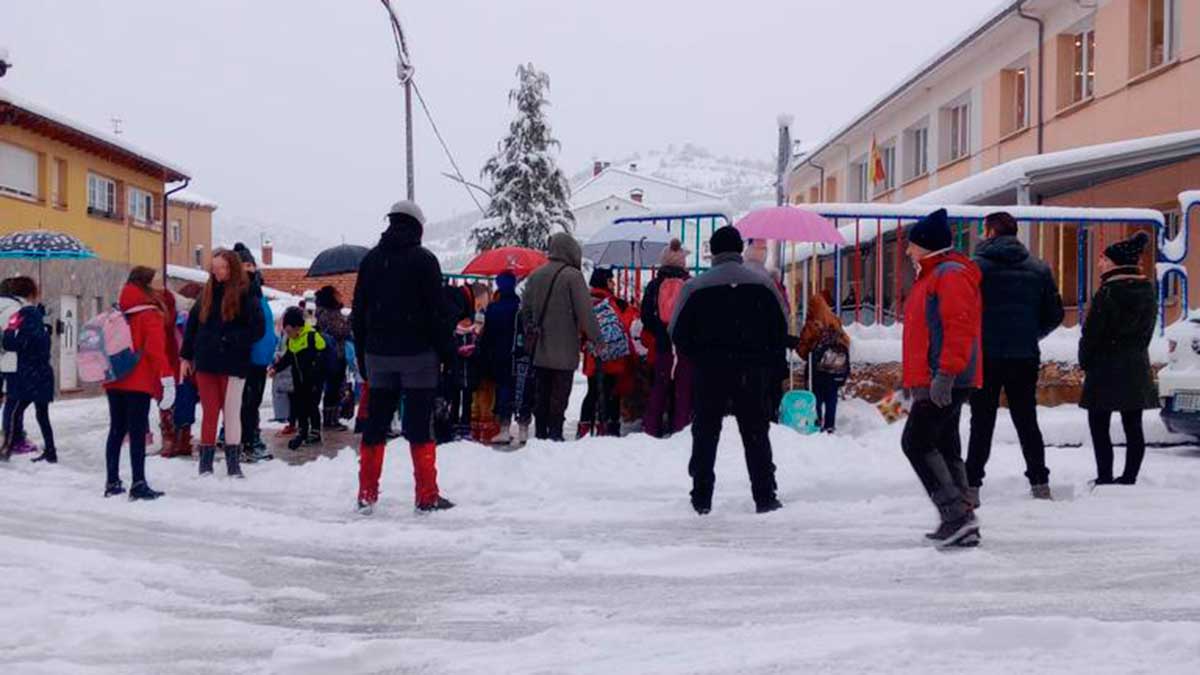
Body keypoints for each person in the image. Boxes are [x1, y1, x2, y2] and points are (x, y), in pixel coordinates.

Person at [670, 226, 789, 515]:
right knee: (755, 432)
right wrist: (765, 359)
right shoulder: (763, 285)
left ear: (713, 252)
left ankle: (701, 497)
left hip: (710, 371)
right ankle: (765, 495)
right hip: (752, 371)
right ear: (739, 250)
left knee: (706, 432)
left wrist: (699, 355)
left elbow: (677, 331)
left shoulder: (695, 287)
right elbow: (781, 326)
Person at [352, 200, 455, 514]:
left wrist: (362, 357)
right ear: (418, 227)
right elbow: (437, 315)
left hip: (378, 357)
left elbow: (358, 314)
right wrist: (447, 354)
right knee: (419, 426)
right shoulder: (425, 261)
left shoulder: (371, 260)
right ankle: (427, 495)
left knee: (375, 425)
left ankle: (367, 493)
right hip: (419, 357)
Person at [966, 212, 1064, 506]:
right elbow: (1055, 314)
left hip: (985, 356)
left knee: (981, 421)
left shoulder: (975, 268)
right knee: (1026, 419)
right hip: (1023, 356)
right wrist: (1030, 334)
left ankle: (972, 486)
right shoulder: (1039, 268)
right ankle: (1040, 482)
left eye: (984, 230)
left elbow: (963, 311)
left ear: (992, 231)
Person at [898, 208, 983, 548]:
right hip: (936, 376)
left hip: (946, 377)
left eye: (912, 245)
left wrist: (945, 375)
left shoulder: (948, 275)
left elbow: (958, 328)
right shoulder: (932, 275)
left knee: (915, 443)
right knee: (946, 446)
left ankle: (957, 516)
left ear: (927, 246)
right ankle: (964, 518)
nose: (907, 251)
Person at [1080, 231, 1158, 486]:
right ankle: (1129, 478)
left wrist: (1086, 359)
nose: (1100, 263)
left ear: (1115, 263)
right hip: (1135, 364)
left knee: (1098, 421)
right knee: (1133, 424)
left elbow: (1092, 333)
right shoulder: (1148, 291)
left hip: (1105, 366)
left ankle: (1104, 476)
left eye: (1104, 259)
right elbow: (1148, 330)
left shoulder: (1108, 292)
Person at [180, 249, 264, 478]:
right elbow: (193, 326)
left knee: (231, 412)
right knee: (209, 412)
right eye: (214, 268)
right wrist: (186, 356)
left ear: (232, 268)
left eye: (222, 268)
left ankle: (233, 464)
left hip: (233, 363)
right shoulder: (206, 293)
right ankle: (205, 464)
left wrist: (231, 339)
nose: (217, 273)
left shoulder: (246, 293)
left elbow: (257, 329)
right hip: (207, 361)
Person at [520, 233, 601, 441]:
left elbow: (525, 310)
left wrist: (532, 327)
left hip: (540, 349)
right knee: (559, 397)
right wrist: (597, 339)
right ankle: (555, 435)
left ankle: (539, 435)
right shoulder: (573, 277)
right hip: (564, 350)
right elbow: (585, 312)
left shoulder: (535, 275)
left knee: (542, 394)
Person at [102, 267, 174, 499]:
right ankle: (138, 483)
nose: (162, 285)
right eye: (158, 281)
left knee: (116, 430)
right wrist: (167, 378)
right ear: (147, 285)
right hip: (138, 380)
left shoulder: (119, 308)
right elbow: (155, 350)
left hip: (115, 378)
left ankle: (112, 481)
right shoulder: (149, 312)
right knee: (136, 431)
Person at [641, 240, 693, 438]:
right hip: (684, 347)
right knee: (683, 391)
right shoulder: (690, 284)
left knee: (659, 389)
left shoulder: (655, 285)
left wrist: (660, 331)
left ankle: (650, 429)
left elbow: (646, 315)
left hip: (662, 345)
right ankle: (680, 430)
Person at [1, 280, 56, 463]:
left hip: (28, 374)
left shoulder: (25, 314)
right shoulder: (36, 314)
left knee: (15, 409)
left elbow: (14, 345)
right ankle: (50, 451)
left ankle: (6, 448)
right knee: (41, 414)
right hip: (41, 373)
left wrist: (10, 330)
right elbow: (41, 343)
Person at [232, 243, 277, 463]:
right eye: (244, 265)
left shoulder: (257, 290)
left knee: (252, 402)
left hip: (260, 357)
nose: (249, 268)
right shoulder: (241, 291)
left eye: (250, 264)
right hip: (248, 356)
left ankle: (250, 438)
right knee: (247, 403)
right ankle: (247, 443)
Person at [478, 271, 532, 445]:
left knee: (504, 390)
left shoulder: (493, 308)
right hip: (520, 354)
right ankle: (523, 428)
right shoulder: (521, 307)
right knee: (523, 390)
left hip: (500, 356)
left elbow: (487, 336)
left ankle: (504, 429)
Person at [579, 268, 634, 437]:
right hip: (613, 358)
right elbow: (625, 326)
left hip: (593, 357)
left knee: (592, 392)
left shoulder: (585, 302)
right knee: (612, 393)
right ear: (604, 281)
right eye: (611, 280)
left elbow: (581, 330)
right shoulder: (614, 303)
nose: (614, 283)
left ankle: (585, 428)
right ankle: (610, 427)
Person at [270, 307, 327, 450]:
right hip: (299, 380)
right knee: (300, 406)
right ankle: (303, 430)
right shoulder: (292, 341)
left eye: (289, 332)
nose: (288, 336)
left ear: (298, 327)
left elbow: (323, 357)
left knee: (312, 406)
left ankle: (315, 431)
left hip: (314, 380)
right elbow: (288, 357)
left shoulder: (312, 337)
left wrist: (318, 375)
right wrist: (276, 368)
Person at [796, 293, 851, 433]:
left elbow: (802, 349)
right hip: (834, 371)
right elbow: (846, 342)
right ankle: (830, 425)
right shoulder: (835, 321)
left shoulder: (812, 324)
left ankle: (817, 423)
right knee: (832, 397)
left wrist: (813, 351)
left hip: (817, 370)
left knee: (816, 397)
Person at [1, 276, 35, 456]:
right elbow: (20, 338)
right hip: (12, 362)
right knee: (14, 403)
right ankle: (13, 440)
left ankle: (11, 437)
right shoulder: (19, 310)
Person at [315, 285, 351, 432]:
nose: (340, 295)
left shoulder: (329, 312)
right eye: (337, 293)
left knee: (335, 388)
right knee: (333, 388)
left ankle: (332, 418)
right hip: (333, 355)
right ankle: (331, 420)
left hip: (335, 354)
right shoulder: (329, 314)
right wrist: (350, 322)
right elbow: (340, 331)